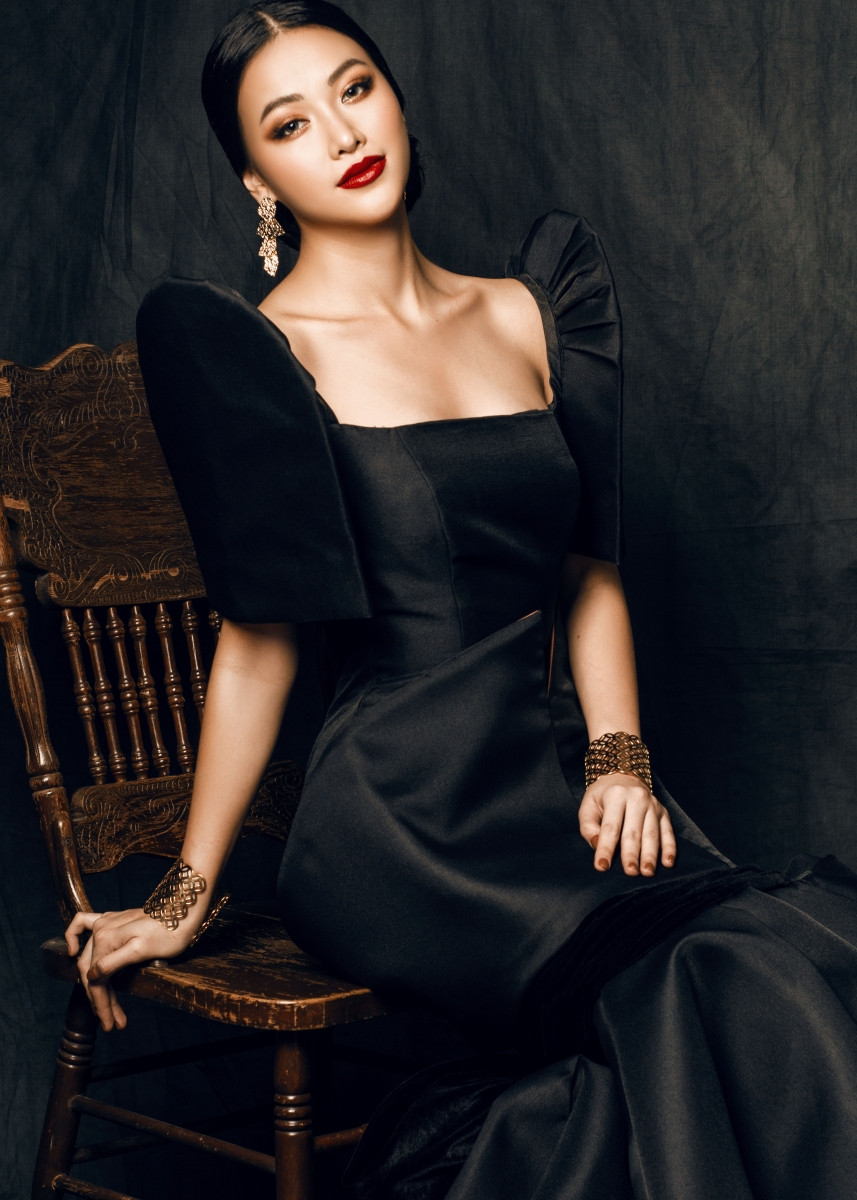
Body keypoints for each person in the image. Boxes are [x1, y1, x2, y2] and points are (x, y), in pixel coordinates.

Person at [65, 4, 857, 1197]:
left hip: (551, 775)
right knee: (714, 978)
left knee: (776, 961)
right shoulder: (266, 354)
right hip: (399, 812)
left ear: (395, 96)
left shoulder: (530, 311)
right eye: (290, 123)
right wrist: (184, 893)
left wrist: (618, 760)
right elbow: (260, 643)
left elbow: (588, 570)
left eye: (354, 89)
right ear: (256, 181)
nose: (341, 133)